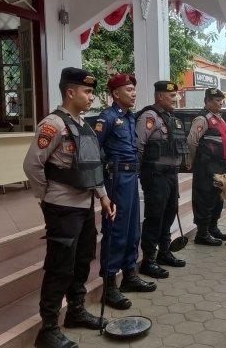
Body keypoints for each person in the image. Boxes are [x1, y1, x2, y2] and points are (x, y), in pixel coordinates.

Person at [23, 67, 115, 348]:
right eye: (87, 92)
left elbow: (92, 167)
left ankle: (75, 311)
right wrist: (45, 195)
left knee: (82, 260)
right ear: (70, 92)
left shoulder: (83, 124)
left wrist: (103, 196)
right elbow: (32, 165)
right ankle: (48, 329)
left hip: (85, 206)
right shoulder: (53, 124)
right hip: (62, 207)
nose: (91, 97)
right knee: (59, 266)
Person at [94, 73, 156, 310]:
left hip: (131, 178)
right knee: (116, 230)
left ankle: (129, 275)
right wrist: (101, 185)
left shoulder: (130, 118)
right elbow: (94, 151)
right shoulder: (107, 118)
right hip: (116, 178)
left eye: (133, 89)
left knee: (132, 228)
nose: (133, 93)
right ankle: (109, 286)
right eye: (128, 89)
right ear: (115, 93)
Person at [135, 80, 189, 279]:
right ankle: (149, 260)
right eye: (171, 96)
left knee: (169, 212)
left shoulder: (170, 117)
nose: (176, 99)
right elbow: (138, 147)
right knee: (155, 216)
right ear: (159, 96)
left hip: (170, 175)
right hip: (155, 175)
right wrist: (139, 173)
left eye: (176, 95)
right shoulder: (149, 117)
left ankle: (164, 252)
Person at [187, 87, 226, 246]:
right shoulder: (202, 119)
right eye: (216, 101)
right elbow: (192, 142)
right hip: (206, 167)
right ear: (206, 101)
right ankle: (202, 233)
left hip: (220, 166)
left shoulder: (219, 118)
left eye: (221, 100)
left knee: (217, 198)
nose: (220, 103)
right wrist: (192, 161)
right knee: (205, 198)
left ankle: (213, 229)